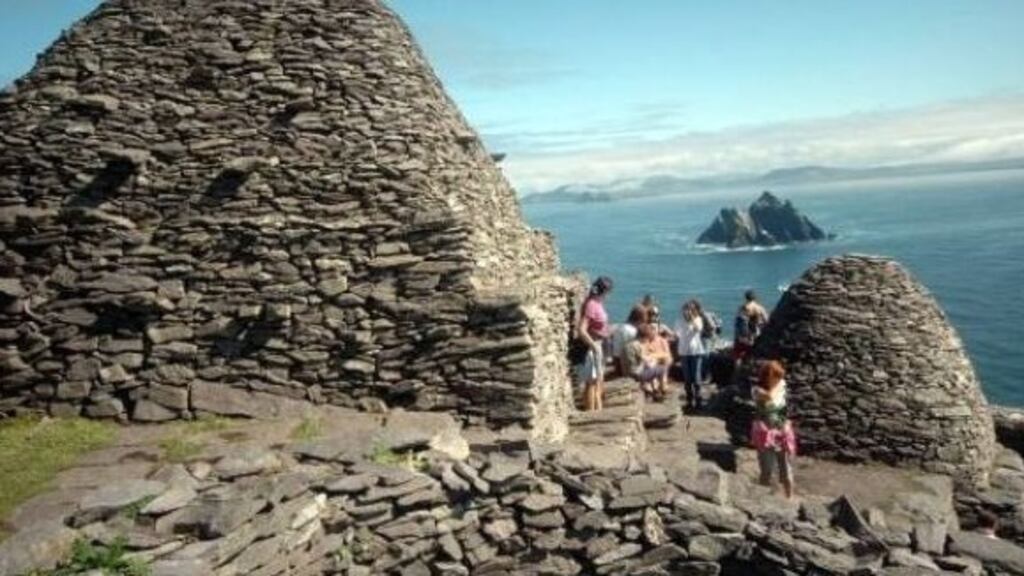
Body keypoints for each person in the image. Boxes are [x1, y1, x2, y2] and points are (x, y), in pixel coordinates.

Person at [751, 360, 797, 499]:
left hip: (782, 433)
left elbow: (783, 409)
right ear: (767, 377)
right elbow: (768, 397)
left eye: (779, 377)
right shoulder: (757, 390)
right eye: (775, 377)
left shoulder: (781, 385)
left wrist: (786, 423)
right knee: (767, 470)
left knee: (786, 469)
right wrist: (776, 388)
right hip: (765, 434)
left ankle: (790, 497)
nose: (779, 381)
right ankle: (763, 498)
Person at [576, 276, 613, 411]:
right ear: (605, 291)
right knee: (592, 382)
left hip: (600, 343)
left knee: (597, 381)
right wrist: (593, 346)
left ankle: (597, 409)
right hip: (594, 345)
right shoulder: (592, 305)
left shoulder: (597, 303)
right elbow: (581, 330)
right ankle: (592, 412)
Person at [674, 300, 706, 410]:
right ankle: (689, 400)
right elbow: (677, 334)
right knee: (687, 378)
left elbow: (698, 329)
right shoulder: (679, 321)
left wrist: (692, 319)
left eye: (691, 310)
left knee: (696, 377)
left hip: (696, 351)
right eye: (686, 310)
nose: (687, 312)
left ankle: (698, 400)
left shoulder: (698, 319)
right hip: (684, 351)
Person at [637, 322, 672, 400]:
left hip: (660, 362)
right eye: (651, 328)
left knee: (662, 366)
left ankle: (661, 389)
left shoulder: (662, 341)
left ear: (658, 330)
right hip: (649, 364)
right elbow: (644, 355)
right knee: (652, 366)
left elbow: (667, 355)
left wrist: (654, 356)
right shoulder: (645, 341)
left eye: (654, 328)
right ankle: (655, 390)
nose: (652, 330)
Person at [610, 306, 647, 377]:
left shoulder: (621, 327)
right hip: (626, 367)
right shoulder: (633, 332)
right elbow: (640, 351)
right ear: (640, 318)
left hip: (617, 364)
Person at [733, 290, 769, 363]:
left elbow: (737, 322)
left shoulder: (742, 308)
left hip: (741, 336)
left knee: (737, 356)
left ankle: (737, 371)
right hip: (753, 335)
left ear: (746, 298)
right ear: (755, 298)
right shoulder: (759, 308)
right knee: (751, 355)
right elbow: (767, 321)